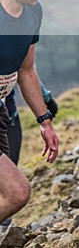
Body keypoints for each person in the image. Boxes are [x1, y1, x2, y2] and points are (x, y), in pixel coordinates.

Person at [0, 0, 60, 224]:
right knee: (17, 192)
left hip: (4, 111)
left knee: (9, 191)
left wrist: (44, 120)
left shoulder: (34, 13)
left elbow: (26, 70)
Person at [0, 79, 58, 231]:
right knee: (16, 189)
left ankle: (4, 227)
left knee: (10, 175)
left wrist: (45, 101)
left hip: (8, 117)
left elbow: (25, 70)